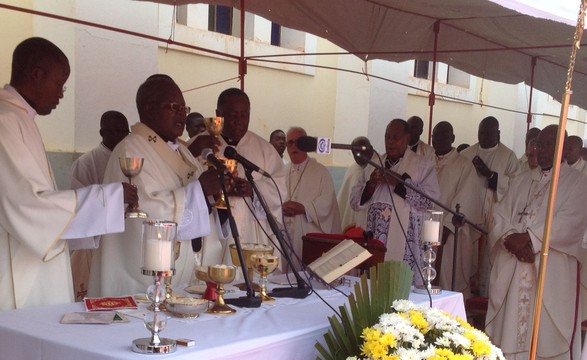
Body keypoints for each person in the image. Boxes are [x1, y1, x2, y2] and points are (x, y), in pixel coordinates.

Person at [0, 37, 137, 310]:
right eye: (59, 83)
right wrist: (108, 197)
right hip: (15, 263)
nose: (61, 93)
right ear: (36, 74)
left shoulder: (20, 118)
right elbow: (29, 205)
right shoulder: (6, 120)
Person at [88, 75, 223, 297]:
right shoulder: (130, 151)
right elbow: (146, 212)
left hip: (185, 275)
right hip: (142, 281)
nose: (182, 114)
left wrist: (214, 193)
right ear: (148, 108)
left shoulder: (183, 151)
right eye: (174, 107)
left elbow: (199, 203)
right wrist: (200, 190)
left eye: (184, 108)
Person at [485, 125, 587, 359]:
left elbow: (571, 222)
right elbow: (499, 214)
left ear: (562, 147)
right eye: (538, 144)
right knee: (510, 331)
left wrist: (530, 239)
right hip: (514, 265)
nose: (541, 150)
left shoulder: (577, 182)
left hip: (549, 271)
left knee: (544, 336)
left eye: (548, 144)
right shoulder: (521, 180)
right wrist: (510, 238)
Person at [189, 88, 287, 254]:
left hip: (251, 233)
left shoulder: (265, 150)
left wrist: (252, 190)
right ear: (218, 113)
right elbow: (184, 179)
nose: (239, 121)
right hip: (210, 232)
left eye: (244, 115)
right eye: (233, 115)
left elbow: (280, 187)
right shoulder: (198, 145)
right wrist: (211, 188)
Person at [350, 119, 439, 285]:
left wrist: (397, 182)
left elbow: (429, 201)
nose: (390, 142)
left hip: (406, 243)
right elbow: (354, 202)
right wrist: (371, 184)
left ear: (407, 138)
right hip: (375, 242)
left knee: (402, 294)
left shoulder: (422, 165)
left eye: (395, 137)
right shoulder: (372, 165)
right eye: (387, 137)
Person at [69, 110, 129, 301]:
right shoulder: (86, 163)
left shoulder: (131, 159)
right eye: (114, 132)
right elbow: (79, 204)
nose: (119, 137)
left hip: (127, 239)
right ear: (102, 132)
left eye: (123, 132)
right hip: (95, 242)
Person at [461, 116, 520, 296]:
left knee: (487, 263)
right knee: (466, 261)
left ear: (498, 134)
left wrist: (491, 175)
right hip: (469, 218)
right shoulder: (466, 155)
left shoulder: (508, 156)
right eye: (481, 132)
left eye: (488, 133)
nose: (484, 137)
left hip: (493, 219)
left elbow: (515, 186)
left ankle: (485, 298)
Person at [430, 121, 481, 298]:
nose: (438, 139)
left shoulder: (464, 166)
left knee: (446, 281)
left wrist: (446, 227)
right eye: (435, 135)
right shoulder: (424, 162)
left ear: (452, 138)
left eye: (443, 135)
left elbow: (465, 199)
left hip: (449, 235)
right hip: (424, 231)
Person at [283, 127, 342, 259]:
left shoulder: (321, 172)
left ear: (307, 144)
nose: (294, 146)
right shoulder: (281, 172)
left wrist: (304, 209)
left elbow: (327, 203)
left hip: (308, 239)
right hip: (285, 236)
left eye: (299, 142)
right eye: (290, 143)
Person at [337, 136, 377, 231]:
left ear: (370, 148)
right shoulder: (353, 169)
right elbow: (344, 199)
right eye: (354, 153)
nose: (357, 156)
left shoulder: (380, 166)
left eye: (360, 152)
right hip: (352, 224)